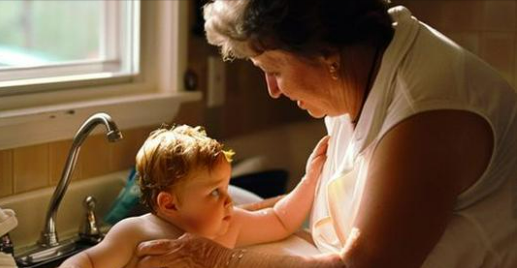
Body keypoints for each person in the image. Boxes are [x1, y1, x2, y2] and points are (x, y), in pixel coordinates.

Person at [134, 0, 517, 267]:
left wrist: (216, 258)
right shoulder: (355, 70)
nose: (273, 89)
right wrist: (202, 228)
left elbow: (364, 265)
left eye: (275, 69)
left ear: (325, 55)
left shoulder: (427, 115)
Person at [59, 124, 329, 268]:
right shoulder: (136, 233)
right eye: (214, 192)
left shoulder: (230, 225)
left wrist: (310, 178)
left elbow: (281, 219)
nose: (228, 201)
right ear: (169, 203)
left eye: (225, 188)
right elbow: (88, 261)